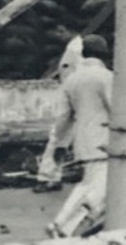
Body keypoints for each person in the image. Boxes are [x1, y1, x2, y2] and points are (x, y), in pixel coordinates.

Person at [46, 35, 113, 238]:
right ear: (105, 55)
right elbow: (117, 108)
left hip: (82, 138)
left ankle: (63, 225)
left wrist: (59, 142)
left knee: (89, 183)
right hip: (106, 138)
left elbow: (64, 116)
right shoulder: (107, 77)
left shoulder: (71, 80)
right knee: (96, 188)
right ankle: (62, 224)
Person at [35, 28, 88, 191]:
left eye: (59, 33)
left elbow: (70, 77)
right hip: (80, 101)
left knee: (58, 139)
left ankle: (48, 177)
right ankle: (52, 176)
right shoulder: (77, 49)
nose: (57, 36)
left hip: (74, 100)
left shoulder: (74, 50)